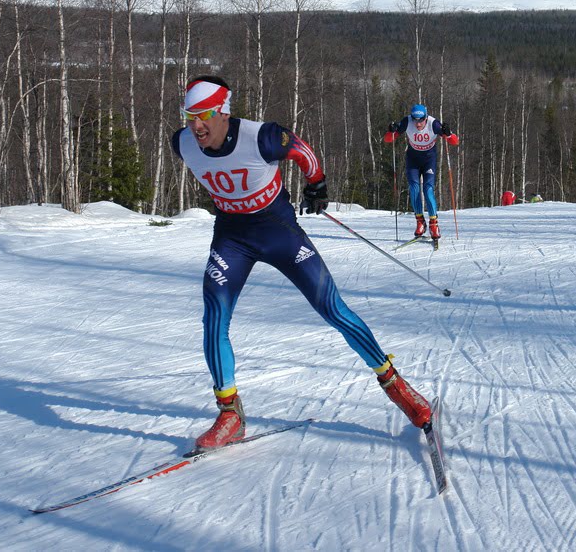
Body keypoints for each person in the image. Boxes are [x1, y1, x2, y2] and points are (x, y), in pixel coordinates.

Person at [171, 76, 432, 450]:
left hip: (278, 231)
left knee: (332, 307)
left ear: (224, 113)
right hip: (232, 237)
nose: (196, 125)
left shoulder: (260, 137)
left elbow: (302, 151)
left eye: (205, 115)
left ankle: (399, 388)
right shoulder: (182, 144)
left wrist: (317, 184)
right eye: (190, 115)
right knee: (214, 314)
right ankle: (229, 414)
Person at [383, 103, 459, 239]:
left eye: (421, 120)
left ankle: (434, 224)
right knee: (414, 188)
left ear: (426, 117)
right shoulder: (407, 122)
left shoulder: (433, 124)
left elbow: (455, 142)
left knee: (428, 190)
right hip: (413, 160)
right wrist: (391, 131)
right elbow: (388, 140)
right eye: (415, 120)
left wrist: (448, 133)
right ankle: (420, 222)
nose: (418, 124)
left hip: (429, 160)